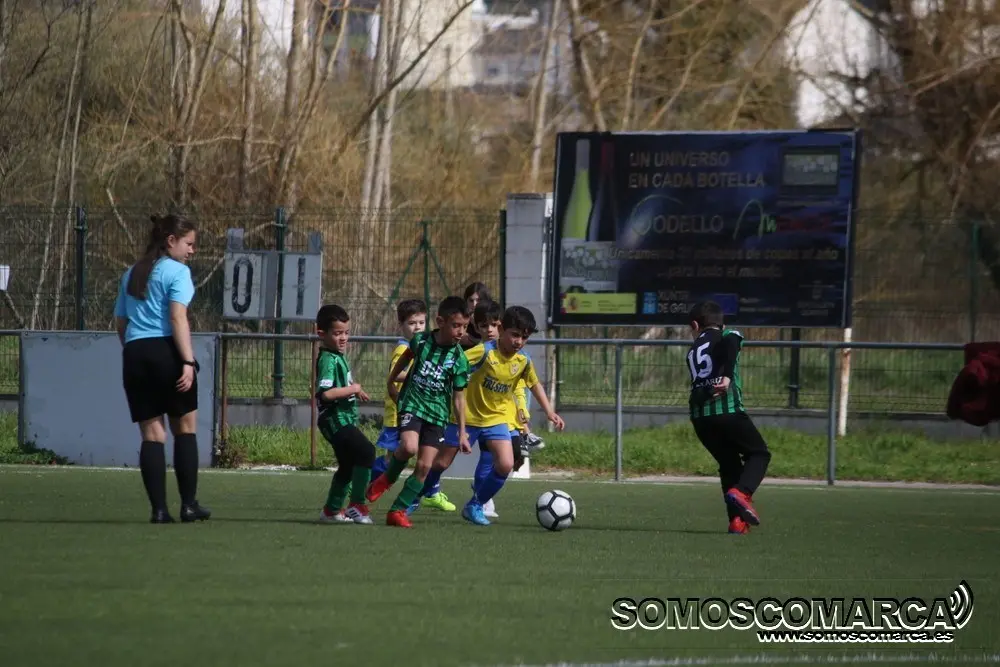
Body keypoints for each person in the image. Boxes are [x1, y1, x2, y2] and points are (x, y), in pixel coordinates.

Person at [114, 213, 210, 524]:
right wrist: (187, 361)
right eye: (189, 243)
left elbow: (121, 323)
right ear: (171, 241)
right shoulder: (177, 272)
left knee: (152, 434)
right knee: (185, 427)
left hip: (135, 353)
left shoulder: (131, 273)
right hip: (166, 351)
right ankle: (188, 505)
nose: (192, 250)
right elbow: (177, 318)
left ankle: (158, 510)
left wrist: (134, 352)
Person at [439, 305, 565, 527]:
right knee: (442, 462)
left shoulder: (523, 360)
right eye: (515, 335)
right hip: (468, 416)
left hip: (496, 418)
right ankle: (421, 494)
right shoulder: (485, 352)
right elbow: (456, 364)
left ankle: (476, 504)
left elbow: (534, 384)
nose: (519, 342)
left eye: (524, 337)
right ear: (502, 329)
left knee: (506, 463)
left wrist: (549, 411)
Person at [365, 296, 472, 528]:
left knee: (424, 466)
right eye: (456, 325)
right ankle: (387, 479)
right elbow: (405, 358)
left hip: (438, 414)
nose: (461, 332)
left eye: (465, 327)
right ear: (440, 322)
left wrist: (462, 432)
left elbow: (459, 398)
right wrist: (392, 381)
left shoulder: (459, 359)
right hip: (413, 404)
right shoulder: (421, 341)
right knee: (408, 447)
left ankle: (397, 510)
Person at [686, 301, 772, 535]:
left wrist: (708, 391)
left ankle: (737, 522)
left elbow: (697, 391)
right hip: (727, 412)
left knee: (729, 465)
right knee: (759, 453)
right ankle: (742, 492)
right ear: (721, 323)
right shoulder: (727, 334)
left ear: (695, 325)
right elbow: (733, 342)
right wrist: (726, 377)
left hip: (700, 419)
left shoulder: (693, 351)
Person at [314, 304, 377, 525]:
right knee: (367, 451)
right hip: (334, 419)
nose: (343, 338)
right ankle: (357, 505)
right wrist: (353, 388)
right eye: (337, 333)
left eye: (346, 333)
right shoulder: (328, 360)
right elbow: (325, 394)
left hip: (341, 418)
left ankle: (331, 510)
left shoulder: (336, 355)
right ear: (321, 333)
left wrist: (355, 390)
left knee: (348, 465)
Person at [460, 282, 492, 348]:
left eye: (478, 300)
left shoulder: (492, 318)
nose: (474, 304)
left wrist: (475, 324)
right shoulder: (461, 318)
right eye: (471, 300)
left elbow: (490, 343)